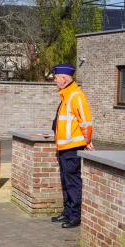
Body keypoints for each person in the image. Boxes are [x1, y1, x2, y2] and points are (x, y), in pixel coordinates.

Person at [50, 64, 94, 229]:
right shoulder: (66, 96)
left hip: (72, 147)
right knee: (66, 181)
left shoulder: (76, 96)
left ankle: (75, 216)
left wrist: (87, 140)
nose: (54, 81)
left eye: (55, 78)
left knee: (73, 182)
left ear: (64, 78)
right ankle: (67, 212)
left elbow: (86, 122)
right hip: (63, 148)